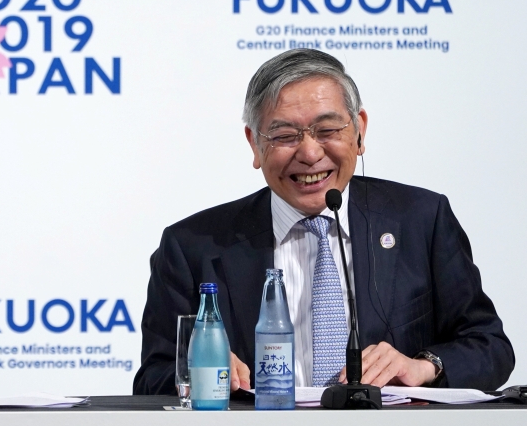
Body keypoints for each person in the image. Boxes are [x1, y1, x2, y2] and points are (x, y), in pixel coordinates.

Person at [133, 50, 513, 394]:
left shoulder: (421, 220)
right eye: (284, 135)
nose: (311, 153)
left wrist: (424, 366)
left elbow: (490, 347)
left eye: (328, 130)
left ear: (359, 131)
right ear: (254, 144)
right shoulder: (191, 246)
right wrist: (199, 371)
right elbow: (153, 377)